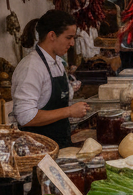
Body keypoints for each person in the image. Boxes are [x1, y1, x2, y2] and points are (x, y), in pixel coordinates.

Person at [11, 9, 89, 151]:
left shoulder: (57, 63)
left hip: (60, 145)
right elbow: (25, 116)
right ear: (52, 35)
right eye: (68, 37)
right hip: (38, 151)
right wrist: (69, 111)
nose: (72, 43)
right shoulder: (31, 68)